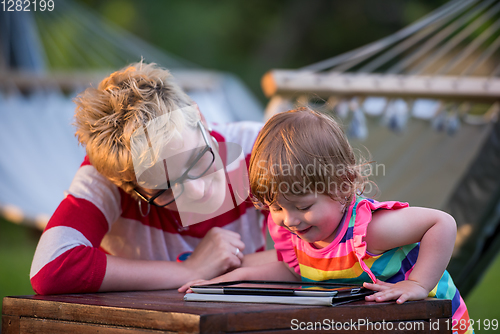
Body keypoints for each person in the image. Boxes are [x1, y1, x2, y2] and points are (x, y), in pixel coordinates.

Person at [180, 108, 473, 334]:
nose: (290, 220)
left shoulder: (371, 230)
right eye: (276, 208)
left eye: (303, 206)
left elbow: (441, 223)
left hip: (440, 323)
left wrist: (418, 284)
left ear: (343, 185)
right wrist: (224, 281)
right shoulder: (305, 232)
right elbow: (295, 270)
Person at [30, 62, 276, 295]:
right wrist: (190, 270)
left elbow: (313, 249)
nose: (197, 191)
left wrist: (225, 262)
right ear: (128, 187)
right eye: (165, 189)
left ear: (199, 117)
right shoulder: (112, 172)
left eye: (198, 160)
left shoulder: (257, 148)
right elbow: (50, 268)